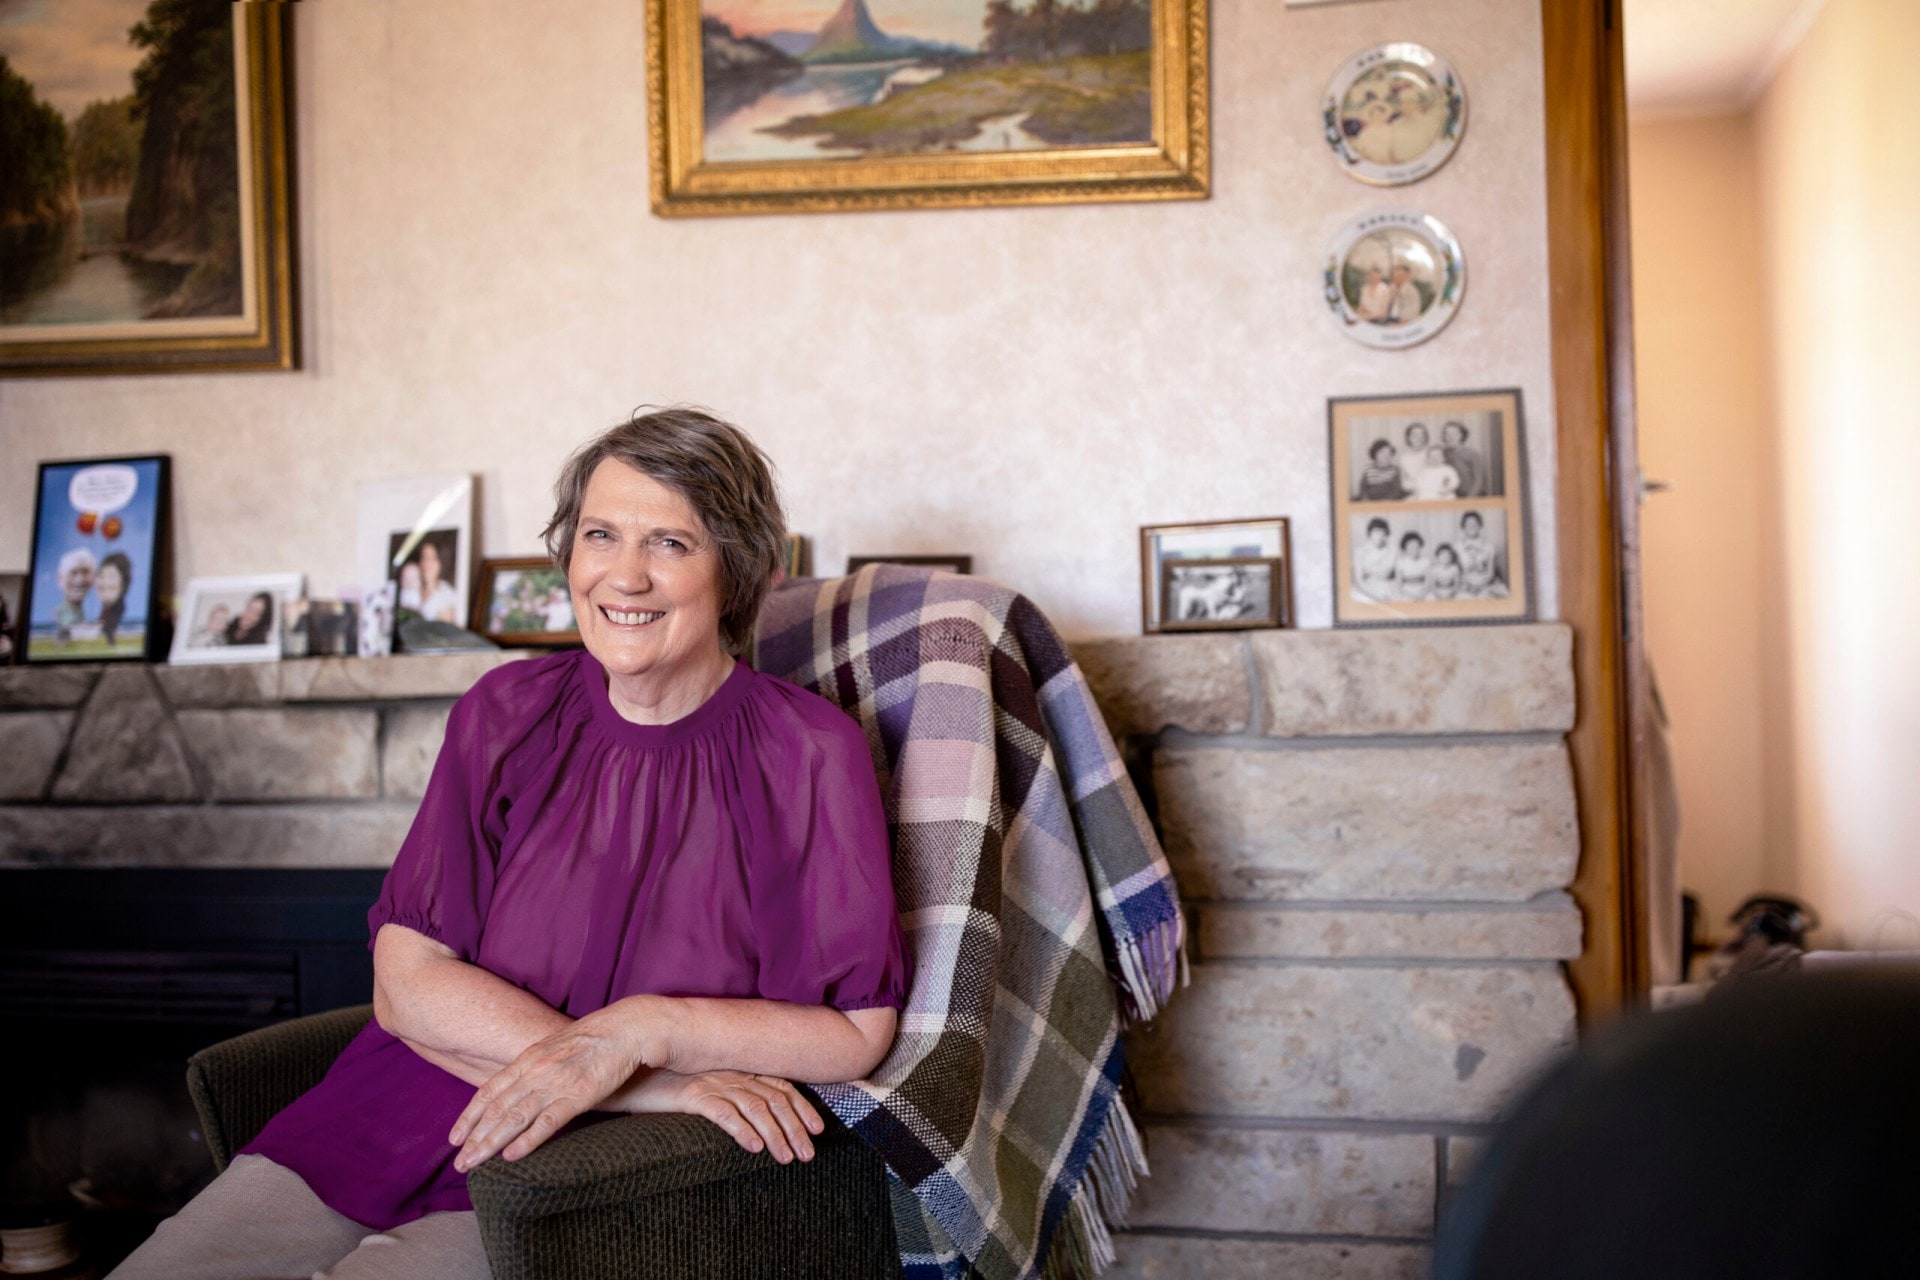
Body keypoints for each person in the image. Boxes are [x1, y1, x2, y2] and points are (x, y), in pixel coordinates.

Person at [109, 408, 910, 1279]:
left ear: (743, 569)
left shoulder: (807, 753)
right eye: (601, 534)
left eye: (672, 544)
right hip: (386, 1109)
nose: (626, 577)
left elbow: (852, 1032)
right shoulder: (505, 712)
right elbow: (406, 983)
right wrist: (645, 1077)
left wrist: (646, 1028)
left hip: (582, 1171)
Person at [406, 539, 461, 624]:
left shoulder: (447, 594)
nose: (426, 563)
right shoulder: (411, 589)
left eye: (432, 558)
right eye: (423, 557)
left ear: (441, 563)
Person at [1457, 511, 1505, 598]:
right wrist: (1470, 585)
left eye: (1475, 524)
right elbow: (1457, 572)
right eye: (1468, 524)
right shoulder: (1457, 547)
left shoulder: (1489, 547)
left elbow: (1491, 572)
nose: (1472, 527)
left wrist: (1482, 584)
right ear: (1463, 527)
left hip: (1486, 583)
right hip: (1465, 585)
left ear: (1480, 526)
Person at [53, 548, 96, 642]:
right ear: (59, 579)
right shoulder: (63, 610)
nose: (79, 580)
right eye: (73, 573)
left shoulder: (80, 610)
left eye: (85, 572)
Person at [1354, 517, 1398, 601]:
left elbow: (1386, 574)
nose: (1380, 536)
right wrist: (1374, 595)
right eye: (1376, 532)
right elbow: (1359, 580)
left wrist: (1368, 571)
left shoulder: (1392, 550)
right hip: (1366, 587)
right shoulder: (1360, 551)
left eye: (1383, 533)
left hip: (1387, 585)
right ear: (1370, 533)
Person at [1441, 420, 1486, 498]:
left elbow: (1479, 481)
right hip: (1451, 496)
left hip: (1471, 496)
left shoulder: (1472, 454)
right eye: (1446, 433)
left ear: (1461, 436)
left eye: (1454, 433)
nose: (1449, 436)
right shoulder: (1443, 454)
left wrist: (1469, 499)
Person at [96, 552, 132, 647]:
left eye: (111, 576)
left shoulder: (118, 607)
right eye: (101, 576)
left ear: (124, 582)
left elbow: (108, 627)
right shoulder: (106, 607)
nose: (105, 583)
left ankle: (111, 641)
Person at [1397, 422, 1433, 495]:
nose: (1418, 438)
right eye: (1414, 435)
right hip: (1413, 492)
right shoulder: (1404, 458)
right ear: (1408, 437)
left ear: (1425, 437)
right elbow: (1403, 483)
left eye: (1422, 435)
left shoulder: (1432, 453)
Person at [1395, 530, 1431, 601]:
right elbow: (1399, 585)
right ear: (1405, 548)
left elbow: (1428, 582)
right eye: (1411, 547)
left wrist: (1423, 594)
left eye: (1417, 547)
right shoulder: (1400, 562)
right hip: (1406, 591)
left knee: (1431, 599)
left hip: (1422, 590)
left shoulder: (1426, 562)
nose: (1414, 550)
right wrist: (1410, 596)